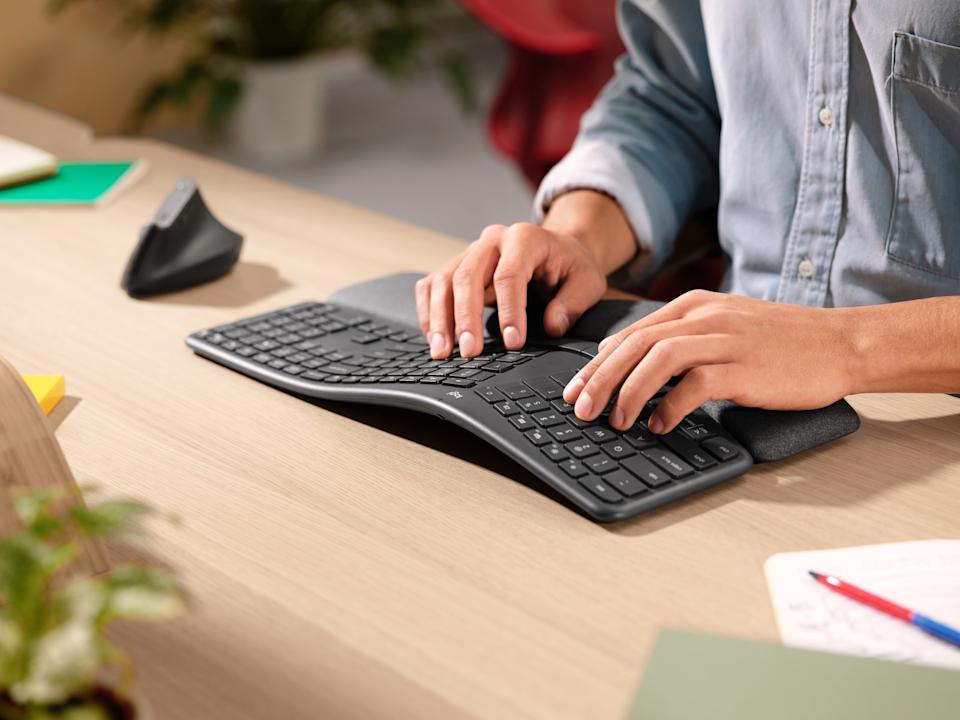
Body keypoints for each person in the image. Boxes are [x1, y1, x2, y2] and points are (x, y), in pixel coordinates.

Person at [415, 0, 960, 436]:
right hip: (722, 389)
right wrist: (578, 234)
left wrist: (846, 345)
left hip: (927, 431)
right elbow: (673, 94)